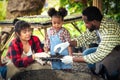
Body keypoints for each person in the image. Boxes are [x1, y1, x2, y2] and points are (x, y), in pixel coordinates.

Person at [54, 6, 120, 79]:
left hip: (117, 51)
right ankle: (98, 73)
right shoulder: (98, 24)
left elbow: (98, 55)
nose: (85, 25)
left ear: (94, 21)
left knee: (109, 64)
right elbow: (84, 38)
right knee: (87, 52)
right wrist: (67, 43)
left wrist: (72, 59)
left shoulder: (109, 30)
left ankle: (110, 76)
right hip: (108, 49)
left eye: (86, 23)